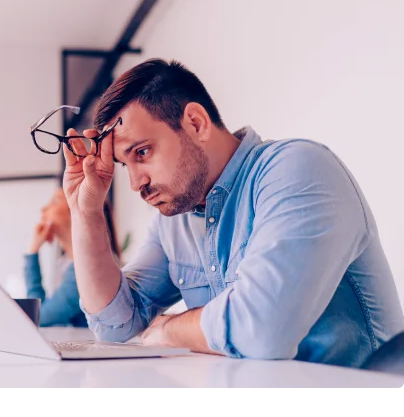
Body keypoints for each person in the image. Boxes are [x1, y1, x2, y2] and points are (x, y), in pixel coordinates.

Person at [59, 57, 404, 368]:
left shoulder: (298, 168)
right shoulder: (174, 221)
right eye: (124, 165)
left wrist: (169, 329)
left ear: (195, 123)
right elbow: (114, 325)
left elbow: (262, 329)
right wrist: (85, 212)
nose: (135, 183)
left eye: (143, 152)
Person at [23, 187, 120, 327]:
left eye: (55, 202)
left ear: (76, 212)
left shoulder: (90, 267)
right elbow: (42, 312)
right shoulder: (65, 264)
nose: (43, 209)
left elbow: (39, 317)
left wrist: (32, 252)